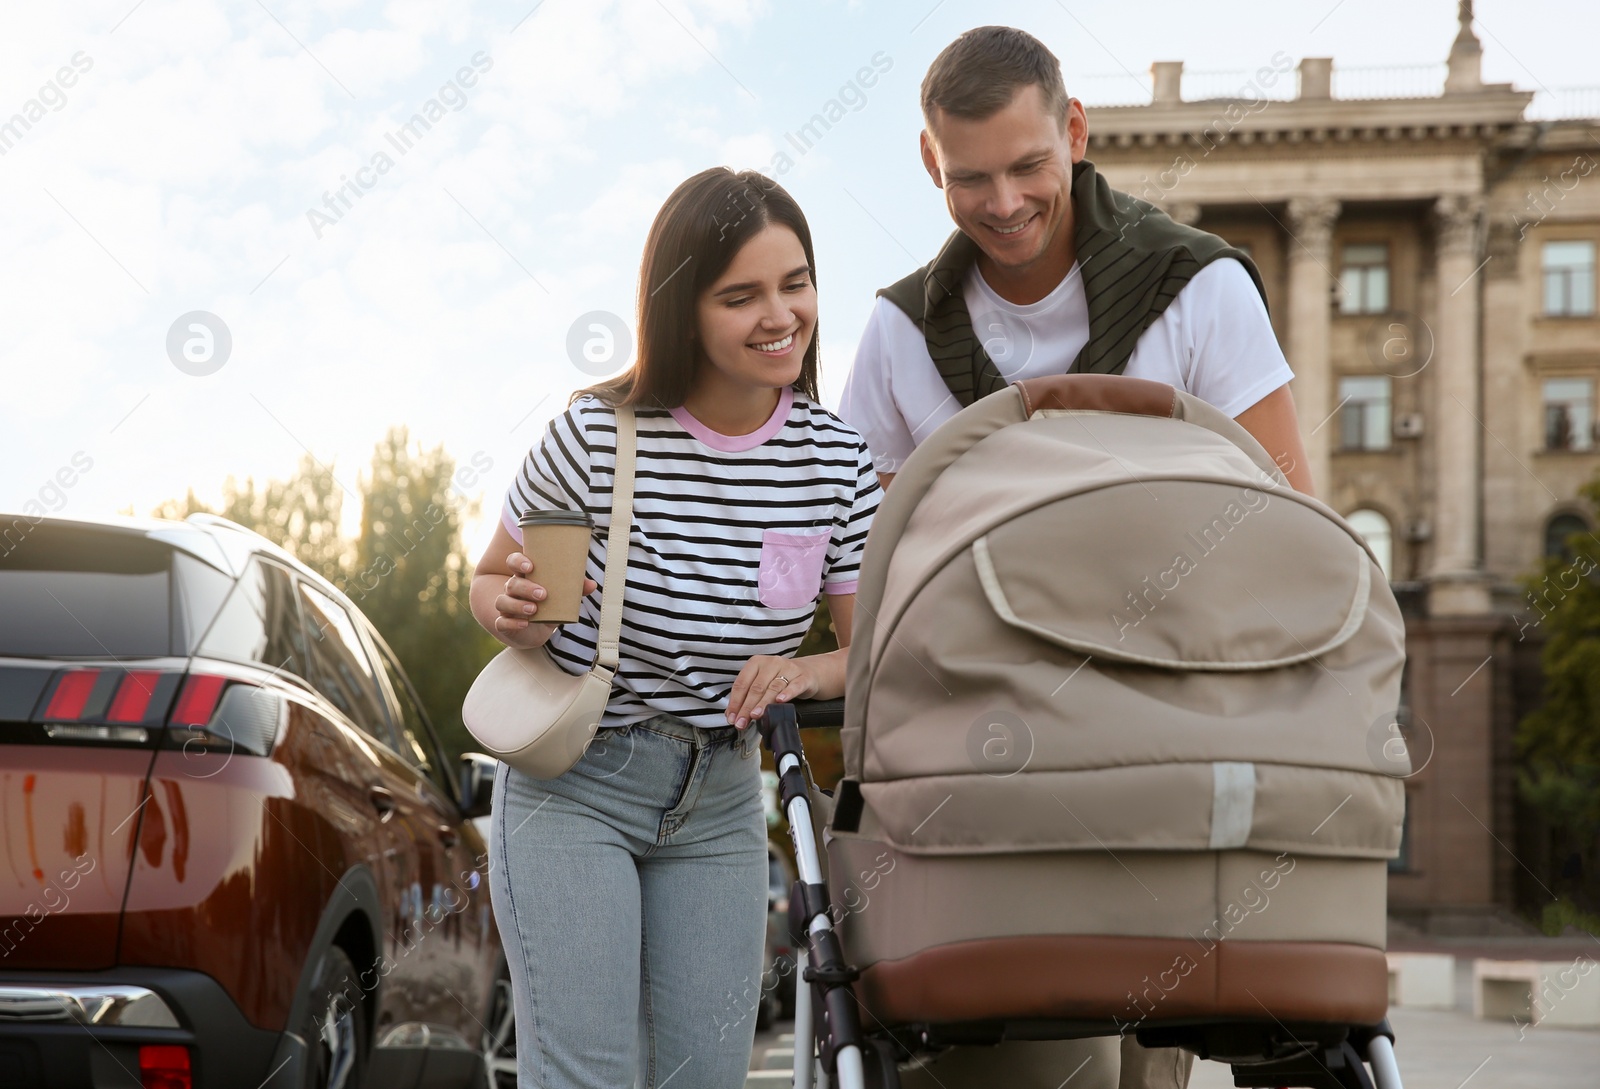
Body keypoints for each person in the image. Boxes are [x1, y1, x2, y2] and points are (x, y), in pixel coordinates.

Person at [837, 25, 1314, 1089]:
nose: (1002, 203)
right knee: (1018, 1057)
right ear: (929, 164)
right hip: (990, 761)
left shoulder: (1197, 288)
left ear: (1076, 134)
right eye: (969, 178)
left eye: (1027, 168)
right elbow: (857, 576)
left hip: (1174, 742)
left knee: (1153, 1054)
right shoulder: (897, 337)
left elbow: (1287, 522)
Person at [472, 167, 880, 1089]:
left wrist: (801, 673)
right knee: (588, 1074)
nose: (780, 315)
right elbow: (497, 580)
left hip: (724, 798)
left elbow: (867, 652)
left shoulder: (838, 461)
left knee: (703, 1075)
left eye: (796, 283)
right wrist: (507, 608)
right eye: (741, 296)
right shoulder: (595, 436)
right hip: (577, 783)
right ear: (679, 309)